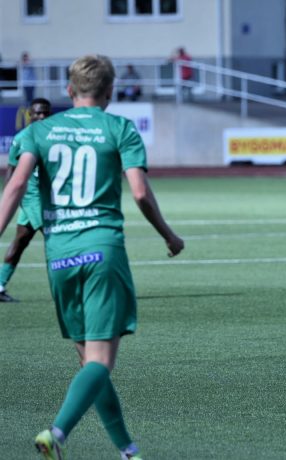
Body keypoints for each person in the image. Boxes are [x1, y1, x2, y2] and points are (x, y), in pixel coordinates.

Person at [0, 54, 185, 459]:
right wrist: (169, 236)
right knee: (101, 362)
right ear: (110, 92)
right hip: (102, 250)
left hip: (59, 254)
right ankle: (57, 432)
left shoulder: (40, 131)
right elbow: (138, 192)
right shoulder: (118, 127)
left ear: (70, 91)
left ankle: (128, 450)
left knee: (91, 363)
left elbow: (14, 188)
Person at [0, 98, 51, 302]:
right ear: (30, 114)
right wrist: (9, 200)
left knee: (21, 240)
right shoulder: (22, 138)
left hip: (44, 197)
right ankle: (73, 287)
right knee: (56, 238)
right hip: (31, 198)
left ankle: (0, 285)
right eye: (37, 113)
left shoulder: (53, 137)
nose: (41, 116)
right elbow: (11, 171)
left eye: (45, 113)